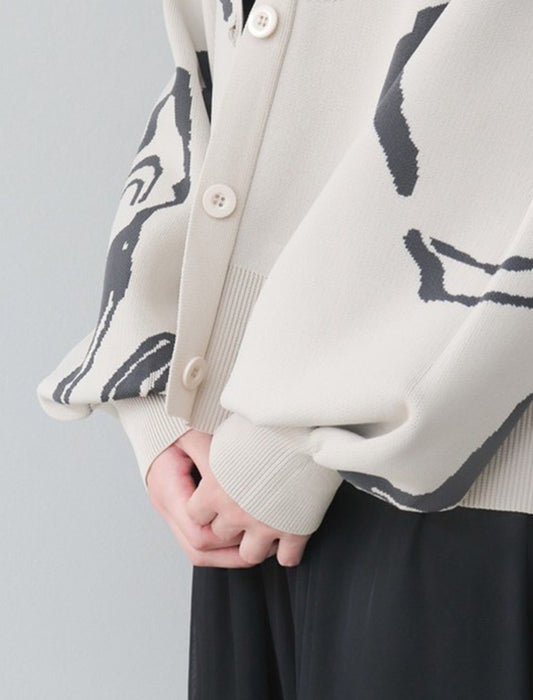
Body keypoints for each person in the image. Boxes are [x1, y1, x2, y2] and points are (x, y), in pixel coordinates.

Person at [37, 0, 533, 697]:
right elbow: (217, 54)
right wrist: (163, 385)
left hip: (459, 474)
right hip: (237, 471)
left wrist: (290, 438)